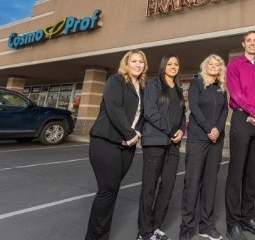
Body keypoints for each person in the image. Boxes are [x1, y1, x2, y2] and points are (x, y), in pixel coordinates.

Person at [86, 49, 148, 240]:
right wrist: (130, 134)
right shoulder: (116, 80)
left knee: (112, 191)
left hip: (127, 146)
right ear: (126, 64)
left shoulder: (143, 88)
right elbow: (114, 109)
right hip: (105, 141)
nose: (138, 65)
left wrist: (136, 133)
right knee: (107, 190)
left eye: (141, 62)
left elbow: (141, 116)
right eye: (134, 61)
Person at [225, 30, 255, 240]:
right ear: (243, 43)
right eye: (249, 40)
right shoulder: (234, 65)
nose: (252, 43)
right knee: (236, 173)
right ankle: (232, 223)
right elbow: (235, 94)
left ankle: (247, 218)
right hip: (242, 120)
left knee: (253, 174)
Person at [179, 54, 228, 240]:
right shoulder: (197, 83)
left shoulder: (221, 87)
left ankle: (206, 225)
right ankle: (186, 227)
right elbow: (194, 107)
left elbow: (225, 110)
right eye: (211, 64)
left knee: (210, 184)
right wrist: (209, 128)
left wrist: (219, 129)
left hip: (216, 141)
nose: (214, 66)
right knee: (192, 183)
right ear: (205, 66)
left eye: (217, 64)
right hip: (198, 139)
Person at [137, 54, 186, 240]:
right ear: (164, 66)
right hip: (155, 142)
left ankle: (156, 226)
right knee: (149, 187)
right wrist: (170, 130)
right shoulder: (154, 85)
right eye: (170, 63)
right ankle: (144, 232)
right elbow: (150, 112)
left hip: (173, 144)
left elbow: (182, 115)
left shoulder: (179, 90)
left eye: (176, 64)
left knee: (167, 186)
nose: (173, 66)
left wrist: (181, 130)